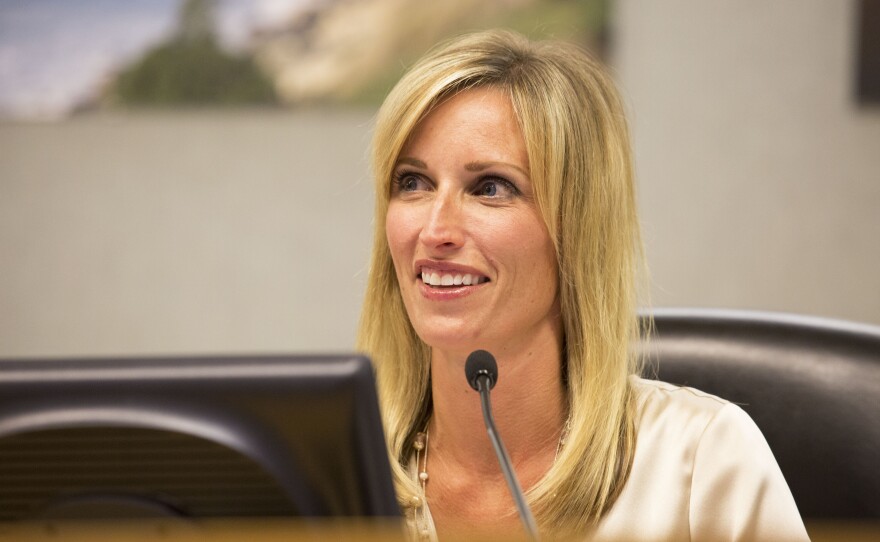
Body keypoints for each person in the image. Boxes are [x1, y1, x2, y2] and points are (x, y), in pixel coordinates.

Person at [357, 29, 808, 541]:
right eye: (412, 183)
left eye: (490, 188)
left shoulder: (699, 462)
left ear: (576, 228)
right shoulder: (337, 470)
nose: (435, 231)